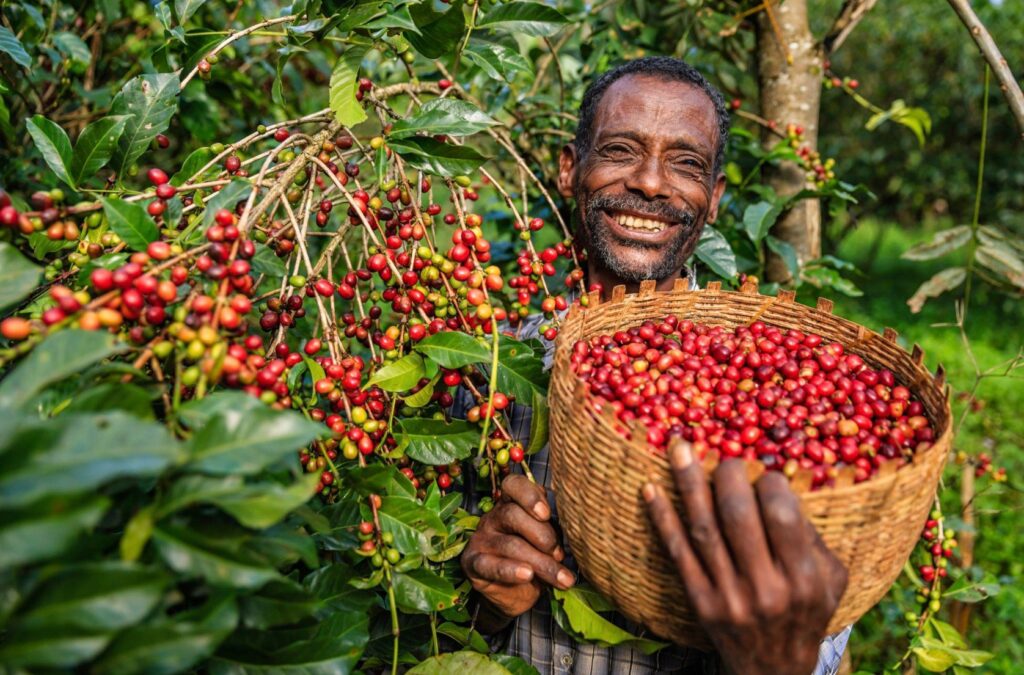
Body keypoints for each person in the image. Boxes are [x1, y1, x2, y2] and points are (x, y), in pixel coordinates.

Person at [460, 57, 851, 674]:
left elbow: (825, 651)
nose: (649, 182)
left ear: (715, 198)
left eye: (686, 164)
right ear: (570, 169)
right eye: (620, 150)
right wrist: (485, 602)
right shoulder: (489, 374)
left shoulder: (772, 389)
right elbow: (435, 620)